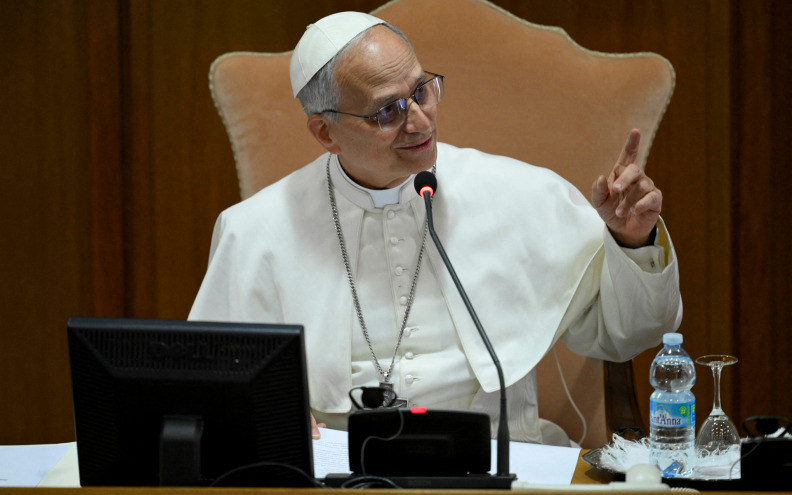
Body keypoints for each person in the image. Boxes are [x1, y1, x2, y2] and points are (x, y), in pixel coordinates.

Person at [189, 11, 682, 446]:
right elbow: (213, 390)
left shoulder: (523, 195)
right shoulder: (255, 231)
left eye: (422, 90)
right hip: (335, 472)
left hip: (497, 459)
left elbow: (628, 336)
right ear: (326, 133)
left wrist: (631, 241)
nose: (420, 121)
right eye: (388, 110)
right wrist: (267, 414)